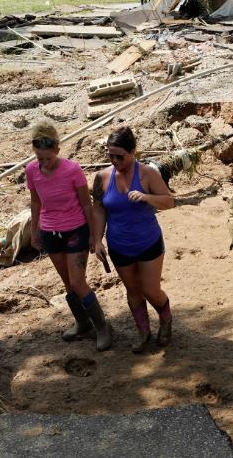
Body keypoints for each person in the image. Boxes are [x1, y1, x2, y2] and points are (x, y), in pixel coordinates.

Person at [26, 121, 112, 351]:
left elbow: (87, 204)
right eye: (39, 158)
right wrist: (34, 231)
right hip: (50, 231)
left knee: (77, 281)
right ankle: (82, 322)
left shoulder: (72, 170)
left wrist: (95, 237)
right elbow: (35, 202)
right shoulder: (31, 170)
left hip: (75, 230)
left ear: (57, 149)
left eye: (48, 158)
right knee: (67, 283)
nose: (43, 163)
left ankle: (102, 326)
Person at [91, 127, 176, 353]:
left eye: (121, 156)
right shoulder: (101, 177)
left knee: (150, 290)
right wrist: (97, 240)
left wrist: (146, 197)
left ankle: (166, 319)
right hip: (119, 246)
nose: (116, 160)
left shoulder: (147, 174)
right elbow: (98, 209)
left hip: (148, 242)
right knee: (132, 290)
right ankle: (143, 331)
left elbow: (169, 202)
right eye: (111, 156)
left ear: (133, 152)